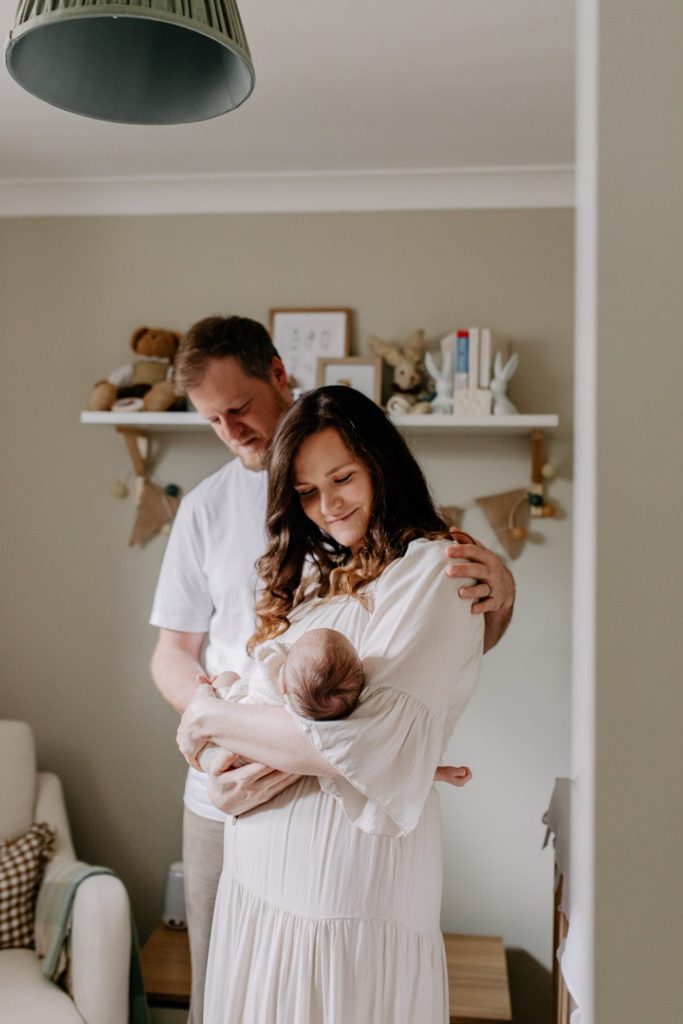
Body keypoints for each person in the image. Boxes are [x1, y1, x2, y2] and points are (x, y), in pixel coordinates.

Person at [150, 315, 515, 1024]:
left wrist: (218, 721)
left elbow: (384, 713)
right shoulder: (252, 530)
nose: (229, 430)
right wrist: (220, 748)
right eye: (211, 420)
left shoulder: (431, 565)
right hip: (247, 845)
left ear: (277, 376)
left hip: (337, 896)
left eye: (239, 409)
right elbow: (176, 653)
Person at [196, 628, 366, 772]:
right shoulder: (303, 727)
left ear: (282, 685)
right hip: (249, 761)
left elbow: (267, 658)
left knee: (228, 678)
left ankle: (204, 691)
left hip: (218, 748)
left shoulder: (270, 682)